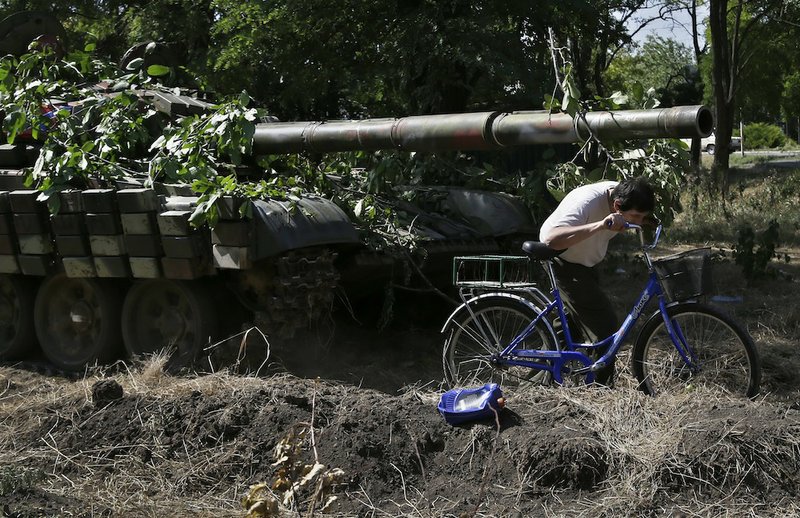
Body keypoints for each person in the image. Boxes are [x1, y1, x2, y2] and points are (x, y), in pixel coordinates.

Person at [538, 177, 655, 385]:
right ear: (617, 206)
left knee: (565, 329)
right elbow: (551, 240)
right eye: (635, 216)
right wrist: (601, 225)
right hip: (563, 261)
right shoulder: (587, 202)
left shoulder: (623, 193)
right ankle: (600, 388)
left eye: (642, 217)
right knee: (605, 325)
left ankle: (544, 380)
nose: (637, 223)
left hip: (585, 263)